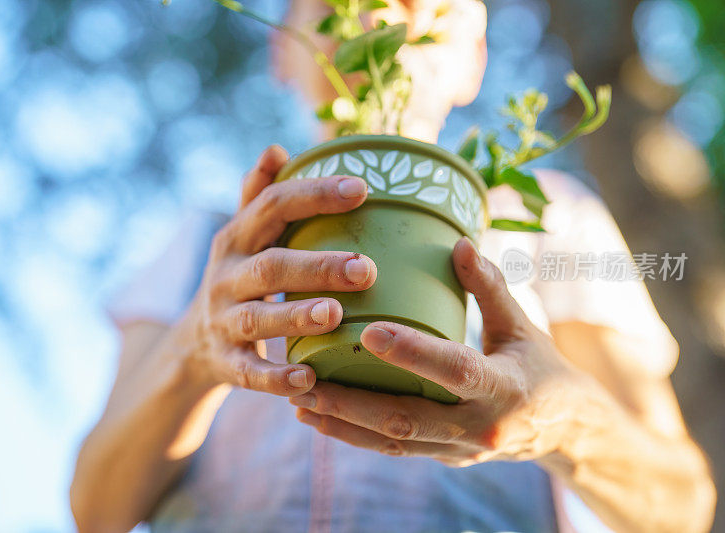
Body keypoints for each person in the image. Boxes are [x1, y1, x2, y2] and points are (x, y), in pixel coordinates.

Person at [70, 0, 716, 531]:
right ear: (279, 50)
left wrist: (561, 420)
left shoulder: (553, 225)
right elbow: (96, 508)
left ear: (476, 56)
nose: (376, 16)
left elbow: (683, 506)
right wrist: (193, 352)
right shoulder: (206, 247)